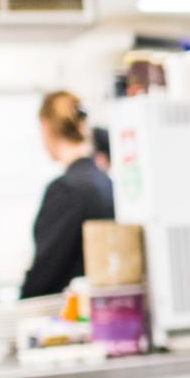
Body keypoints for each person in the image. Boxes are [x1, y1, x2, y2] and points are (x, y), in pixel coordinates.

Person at [20, 91, 114, 299]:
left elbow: (46, 270)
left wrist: (22, 303)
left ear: (45, 127)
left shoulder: (66, 190)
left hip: (68, 312)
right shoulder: (105, 183)